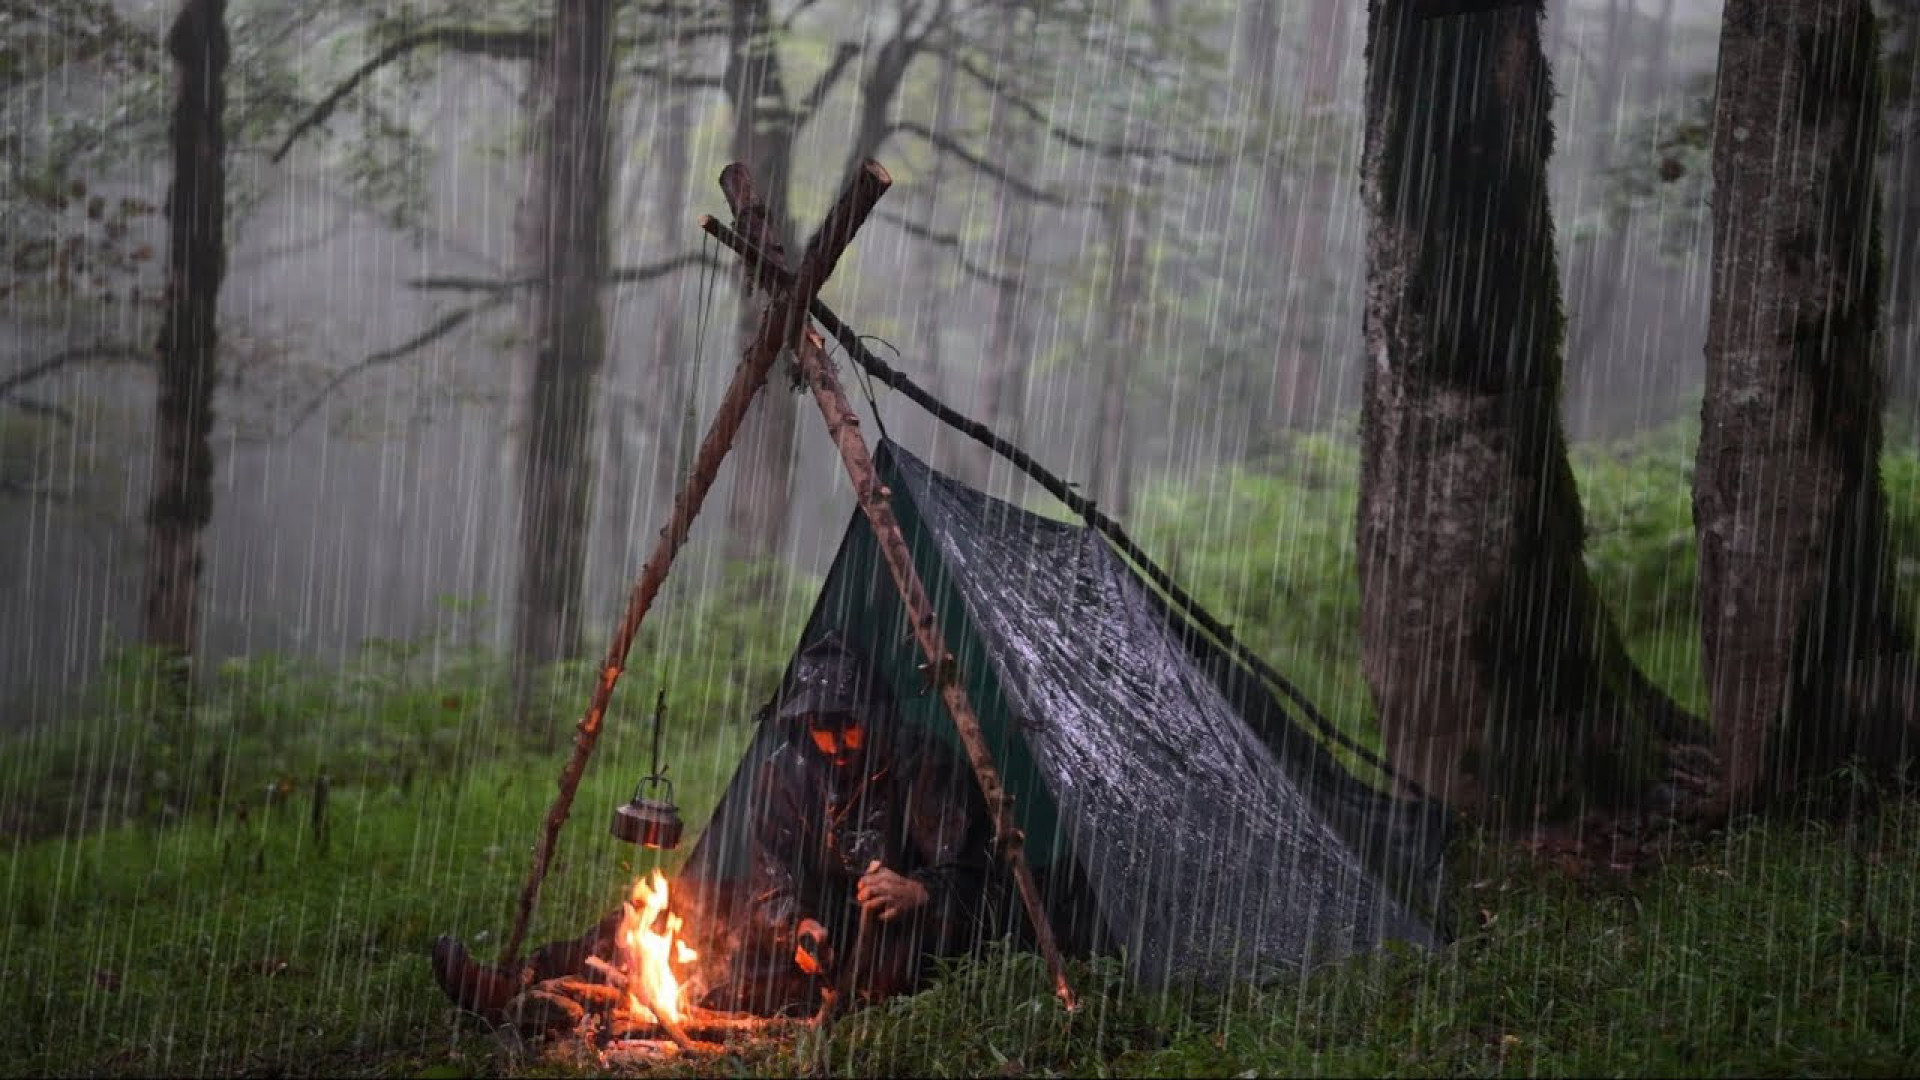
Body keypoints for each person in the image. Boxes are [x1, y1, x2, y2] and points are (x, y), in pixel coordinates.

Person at [429, 632, 998, 1022]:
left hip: (890, 934)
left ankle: (590, 1011)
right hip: (816, 924)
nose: (835, 742)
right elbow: (770, 877)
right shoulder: (788, 770)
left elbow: (973, 877)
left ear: (874, 715)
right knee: (682, 909)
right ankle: (523, 981)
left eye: (847, 724)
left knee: (871, 969)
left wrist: (917, 891)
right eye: (820, 727)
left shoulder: (924, 766)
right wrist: (797, 923)